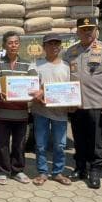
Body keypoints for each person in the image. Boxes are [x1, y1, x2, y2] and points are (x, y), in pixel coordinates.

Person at [63, 18, 102, 189]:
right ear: (78, 31)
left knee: (96, 140)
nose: (87, 32)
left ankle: (94, 170)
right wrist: (66, 100)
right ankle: (80, 167)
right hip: (76, 104)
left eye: (90, 29)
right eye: (83, 29)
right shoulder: (70, 52)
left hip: (97, 103)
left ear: (96, 30)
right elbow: (65, 77)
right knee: (78, 138)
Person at [0, 31, 36, 185]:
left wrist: (34, 92)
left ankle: (17, 170)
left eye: (16, 42)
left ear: (19, 45)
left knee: (19, 143)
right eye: (10, 42)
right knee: (1, 143)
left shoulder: (28, 64)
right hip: (1, 112)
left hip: (21, 113)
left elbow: (34, 83)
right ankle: (2, 171)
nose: (13, 45)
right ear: (4, 45)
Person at [31, 33, 73, 187]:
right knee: (40, 144)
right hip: (40, 110)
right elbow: (31, 85)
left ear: (60, 47)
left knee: (60, 145)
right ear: (44, 47)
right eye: (50, 44)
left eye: (56, 44)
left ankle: (57, 172)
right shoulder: (36, 64)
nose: (54, 47)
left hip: (60, 113)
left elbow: (70, 89)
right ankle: (42, 172)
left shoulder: (67, 66)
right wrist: (38, 93)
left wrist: (72, 102)